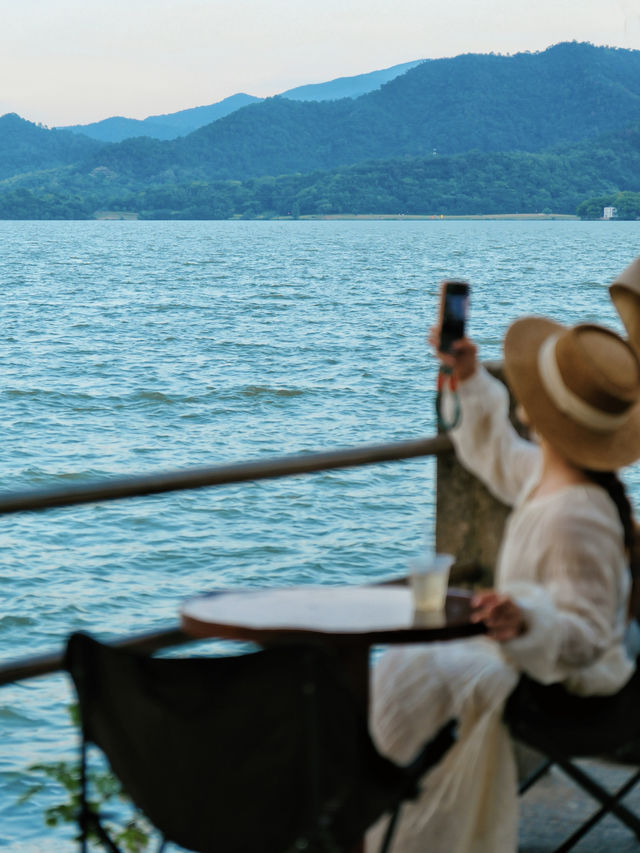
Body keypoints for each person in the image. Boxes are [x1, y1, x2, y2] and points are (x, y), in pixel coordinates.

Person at [367, 314, 640, 853]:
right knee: (414, 662)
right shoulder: (556, 478)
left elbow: (586, 636)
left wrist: (527, 620)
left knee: (413, 666)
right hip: (546, 672)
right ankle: (385, 809)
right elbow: (496, 453)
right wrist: (466, 375)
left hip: (567, 695)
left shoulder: (574, 513)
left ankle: (379, 811)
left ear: (542, 413)